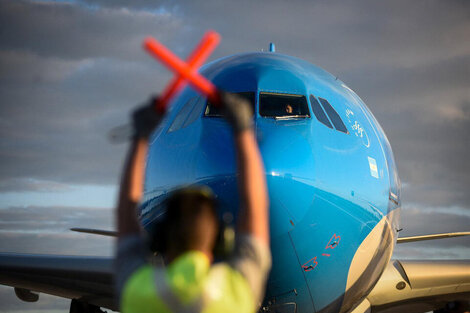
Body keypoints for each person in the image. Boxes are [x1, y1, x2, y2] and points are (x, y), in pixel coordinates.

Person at [115, 92, 271, 313]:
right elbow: (255, 208)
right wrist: (243, 130)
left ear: (159, 238)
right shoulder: (235, 293)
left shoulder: (139, 292)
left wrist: (140, 137)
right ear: (221, 238)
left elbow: (126, 217)